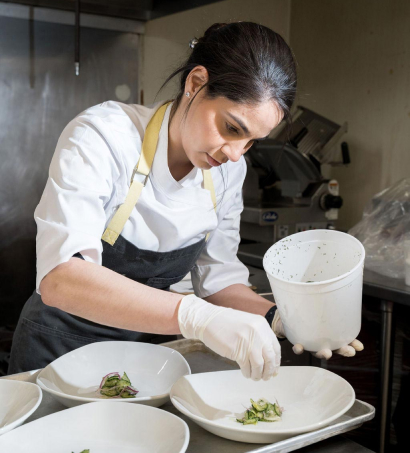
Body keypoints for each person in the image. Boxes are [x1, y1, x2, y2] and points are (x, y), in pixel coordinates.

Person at [8, 22, 362, 379]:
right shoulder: (104, 137)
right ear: (195, 84)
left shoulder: (226, 173)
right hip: (57, 353)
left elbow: (218, 279)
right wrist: (196, 317)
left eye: (252, 141)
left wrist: (284, 319)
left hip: (140, 365)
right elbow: (62, 279)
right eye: (232, 128)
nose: (237, 154)